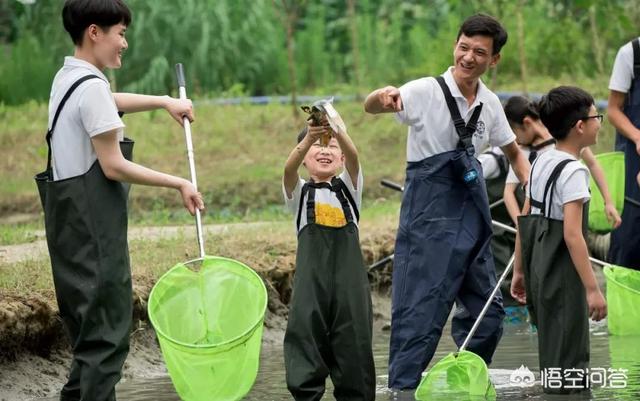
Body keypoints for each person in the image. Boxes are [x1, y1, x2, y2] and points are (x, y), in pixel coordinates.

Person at [35, 1, 204, 400]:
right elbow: (112, 166)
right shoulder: (91, 87)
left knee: (89, 344)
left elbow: (111, 99)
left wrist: (164, 101)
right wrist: (179, 182)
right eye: (121, 33)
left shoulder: (68, 78)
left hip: (69, 234)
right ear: (95, 32)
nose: (124, 43)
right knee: (107, 342)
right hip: (95, 238)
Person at [363, 13, 530, 393]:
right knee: (419, 312)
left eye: (479, 52)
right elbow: (372, 107)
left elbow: (515, 154)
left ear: (494, 60)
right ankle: (402, 389)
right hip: (428, 217)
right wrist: (382, 95)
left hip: (473, 217)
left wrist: (535, 186)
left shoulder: (490, 104)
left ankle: (460, 381)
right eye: (463, 47)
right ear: (455, 45)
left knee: (488, 315)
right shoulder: (424, 90)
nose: (468, 57)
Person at [511, 86, 608, 394]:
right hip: (564, 277)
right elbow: (572, 234)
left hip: (540, 270)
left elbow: (525, 217)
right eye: (596, 116)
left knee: (552, 354)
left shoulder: (540, 161)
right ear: (580, 126)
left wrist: (520, 270)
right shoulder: (574, 172)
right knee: (572, 362)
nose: (599, 122)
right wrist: (593, 289)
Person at [282, 114, 375, 401]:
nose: (324, 151)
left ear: (342, 158)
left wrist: (338, 129)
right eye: (316, 147)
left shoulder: (350, 188)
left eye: (332, 146)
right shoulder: (298, 193)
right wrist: (311, 135)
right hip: (312, 289)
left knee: (355, 346)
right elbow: (287, 170)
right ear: (305, 158)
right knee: (306, 340)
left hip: (351, 289)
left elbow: (355, 155)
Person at [502, 95, 621, 229]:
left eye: (514, 132)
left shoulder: (564, 137)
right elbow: (509, 193)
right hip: (543, 224)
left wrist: (608, 202)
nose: (516, 140)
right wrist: (521, 226)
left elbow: (593, 164)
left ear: (527, 123)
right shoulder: (523, 153)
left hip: (571, 216)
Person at [607, 37, 640, 270]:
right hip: (633, 155)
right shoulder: (632, 54)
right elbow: (613, 110)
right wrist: (637, 137)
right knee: (629, 234)